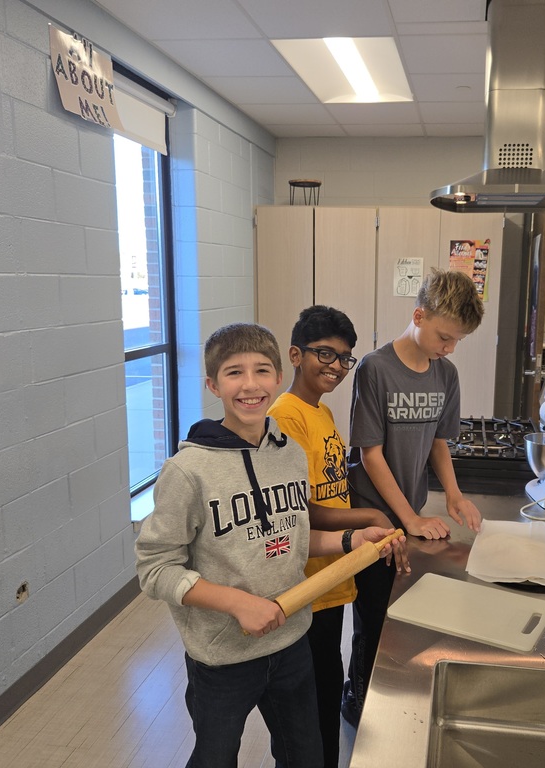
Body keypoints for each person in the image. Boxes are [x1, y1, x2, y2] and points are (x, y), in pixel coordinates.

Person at [135, 322, 404, 768]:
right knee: (215, 758)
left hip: (291, 643)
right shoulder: (188, 472)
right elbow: (155, 569)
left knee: (306, 757)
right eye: (234, 373)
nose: (250, 385)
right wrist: (238, 603)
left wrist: (352, 539)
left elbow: (292, 537)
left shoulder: (289, 454)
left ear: (278, 377)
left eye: (262, 371)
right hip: (221, 656)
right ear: (212, 384)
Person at [341, 268, 485, 727]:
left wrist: (455, 496)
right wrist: (408, 519)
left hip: (411, 516)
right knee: (371, 618)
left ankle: (390, 700)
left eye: (457, 341)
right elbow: (371, 455)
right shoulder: (376, 368)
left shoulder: (446, 373)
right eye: (445, 336)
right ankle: (359, 702)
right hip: (372, 520)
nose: (449, 348)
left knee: (399, 615)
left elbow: (439, 442)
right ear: (418, 315)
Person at [269, 305, 408, 768]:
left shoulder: (322, 411)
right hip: (305, 582)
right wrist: (371, 515)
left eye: (345, 358)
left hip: (331, 577)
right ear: (295, 354)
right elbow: (298, 511)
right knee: (313, 699)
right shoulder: (286, 417)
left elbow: (331, 482)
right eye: (324, 354)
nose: (336, 366)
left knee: (326, 686)